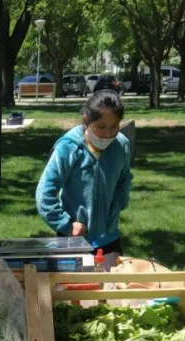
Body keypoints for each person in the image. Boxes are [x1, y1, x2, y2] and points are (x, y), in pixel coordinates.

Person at [35, 89, 132, 253]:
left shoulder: (122, 146)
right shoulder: (68, 147)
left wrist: (117, 206)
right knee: (75, 280)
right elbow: (44, 193)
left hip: (109, 239)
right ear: (86, 121)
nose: (108, 134)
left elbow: (125, 178)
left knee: (113, 279)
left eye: (114, 126)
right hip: (72, 238)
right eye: (101, 127)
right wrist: (66, 225)